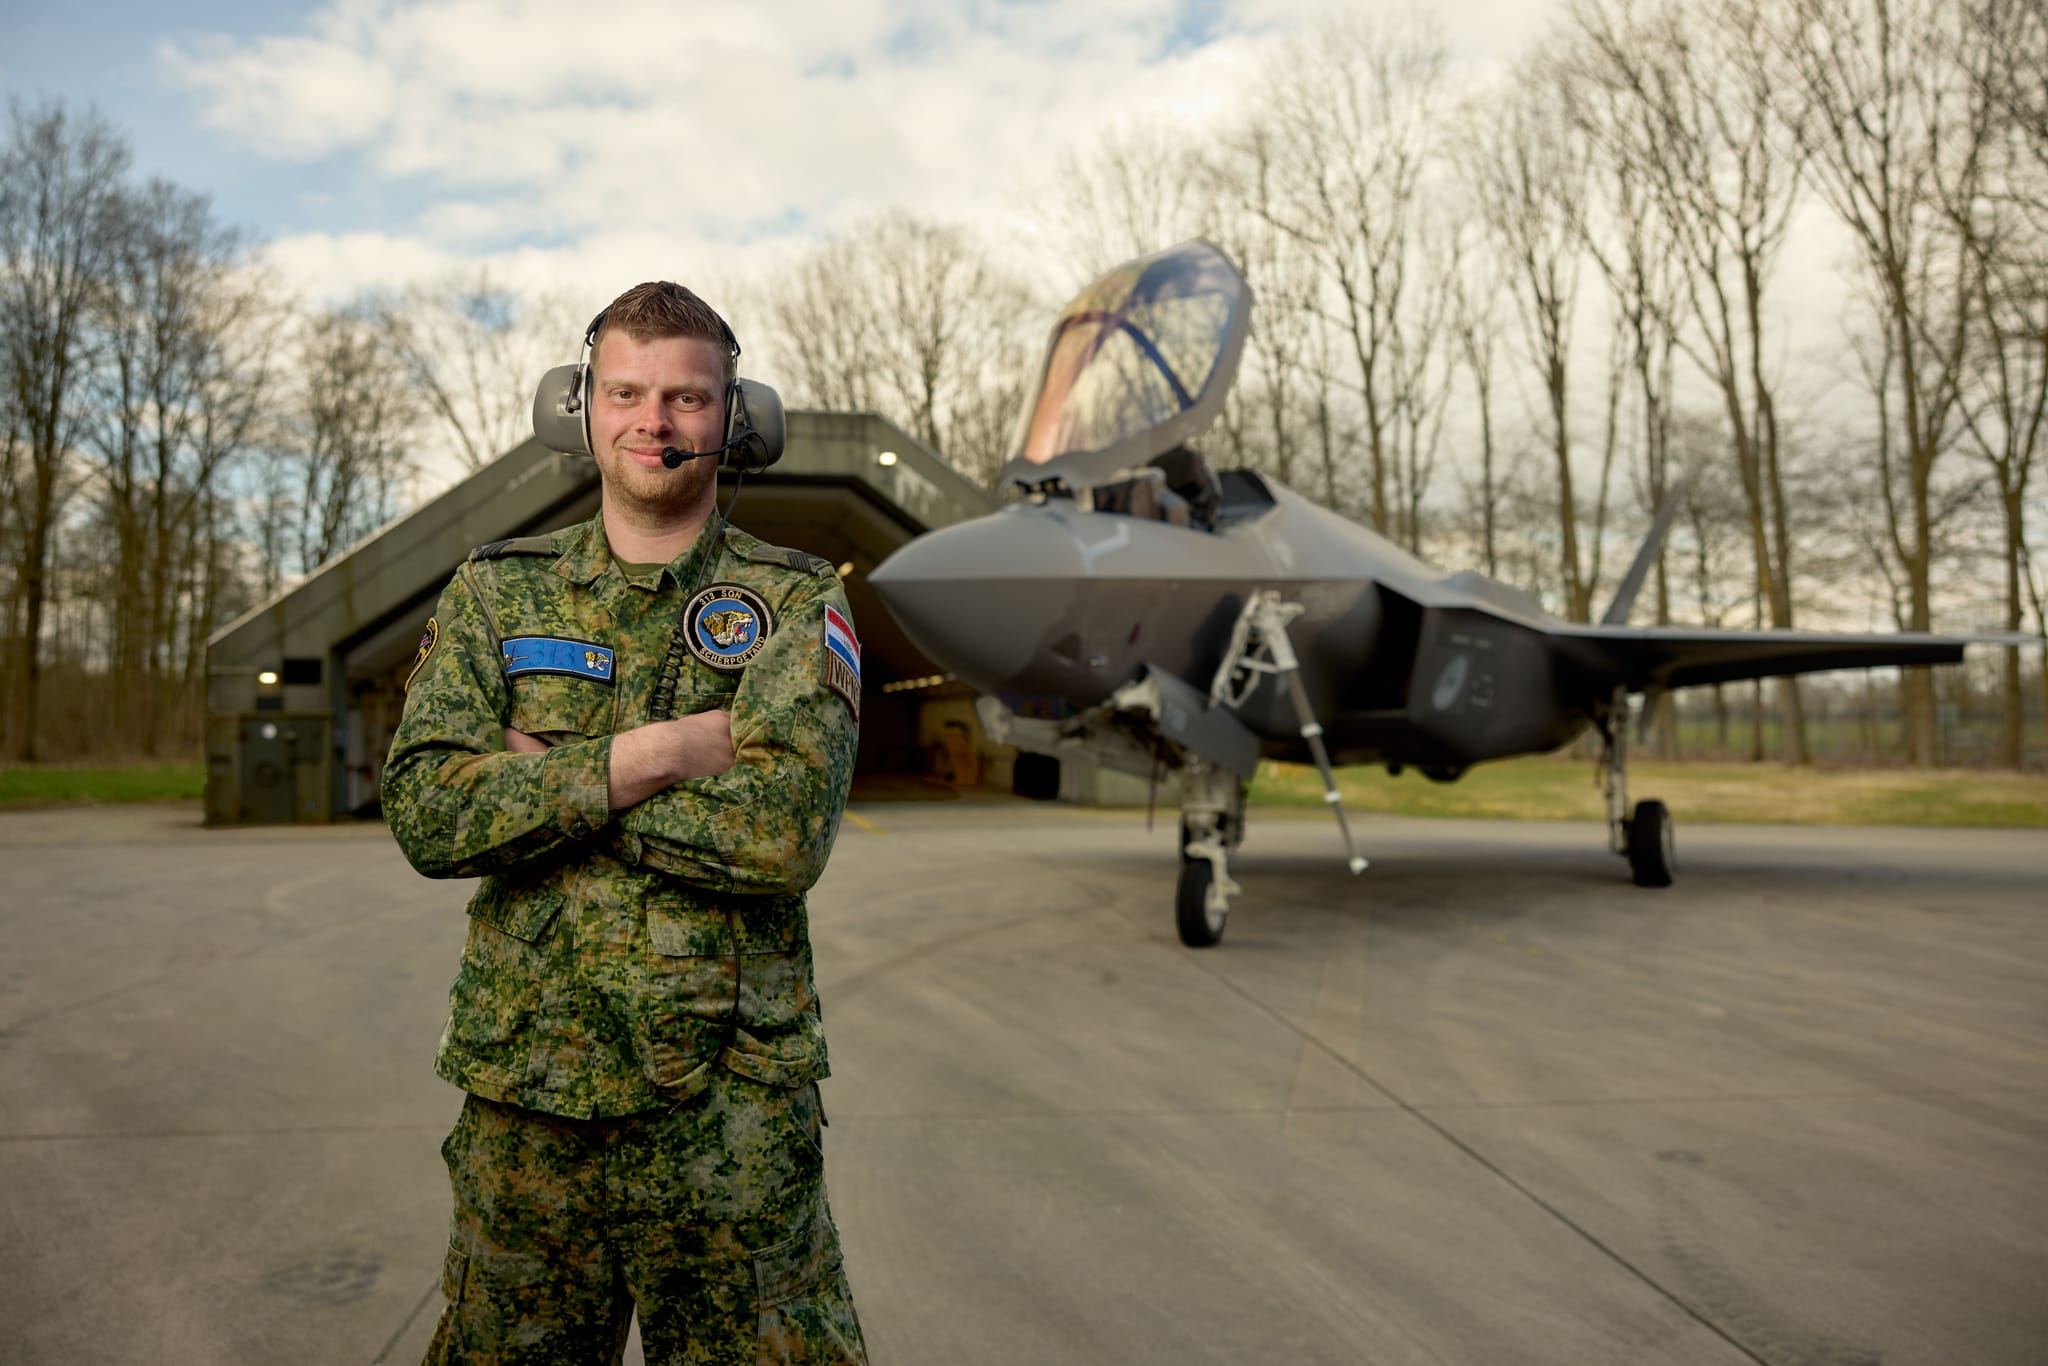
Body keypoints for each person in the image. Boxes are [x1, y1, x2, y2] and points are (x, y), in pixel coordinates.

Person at [381, 281, 867, 1365]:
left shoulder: (793, 602)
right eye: (627, 391)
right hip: (528, 1106)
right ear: (580, 408)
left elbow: (782, 830)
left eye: (688, 398)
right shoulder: (494, 597)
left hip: (729, 1116)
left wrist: (546, 779)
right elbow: (425, 808)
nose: (655, 421)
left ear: (733, 421)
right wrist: (652, 755)